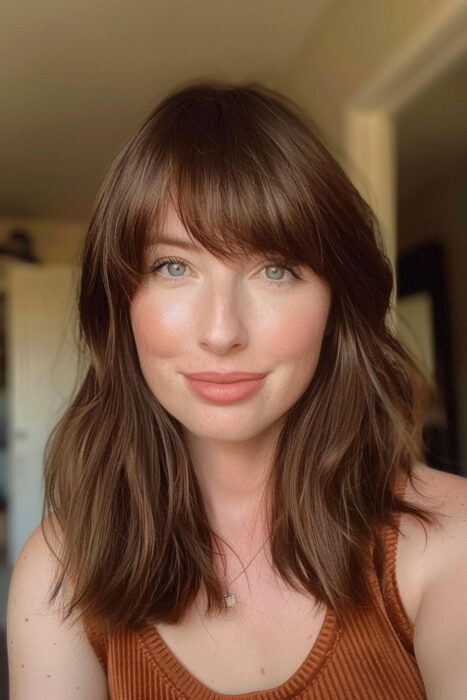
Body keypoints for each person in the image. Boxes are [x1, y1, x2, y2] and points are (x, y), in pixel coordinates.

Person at [7, 80, 467, 699]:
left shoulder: (448, 537)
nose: (222, 332)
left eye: (275, 268)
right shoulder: (58, 571)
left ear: (338, 302)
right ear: (120, 301)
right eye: (174, 267)